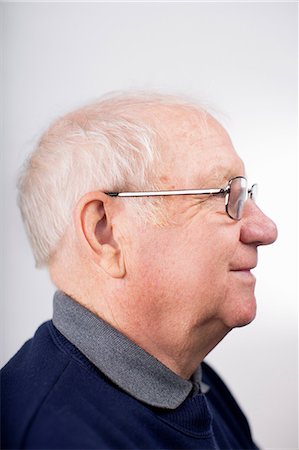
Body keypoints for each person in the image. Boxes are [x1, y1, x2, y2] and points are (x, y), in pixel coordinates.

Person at [1, 92, 277, 449]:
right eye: (223, 195)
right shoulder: (51, 438)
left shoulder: (195, 386)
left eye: (244, 194)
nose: (265, 229)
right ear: (106, 232)